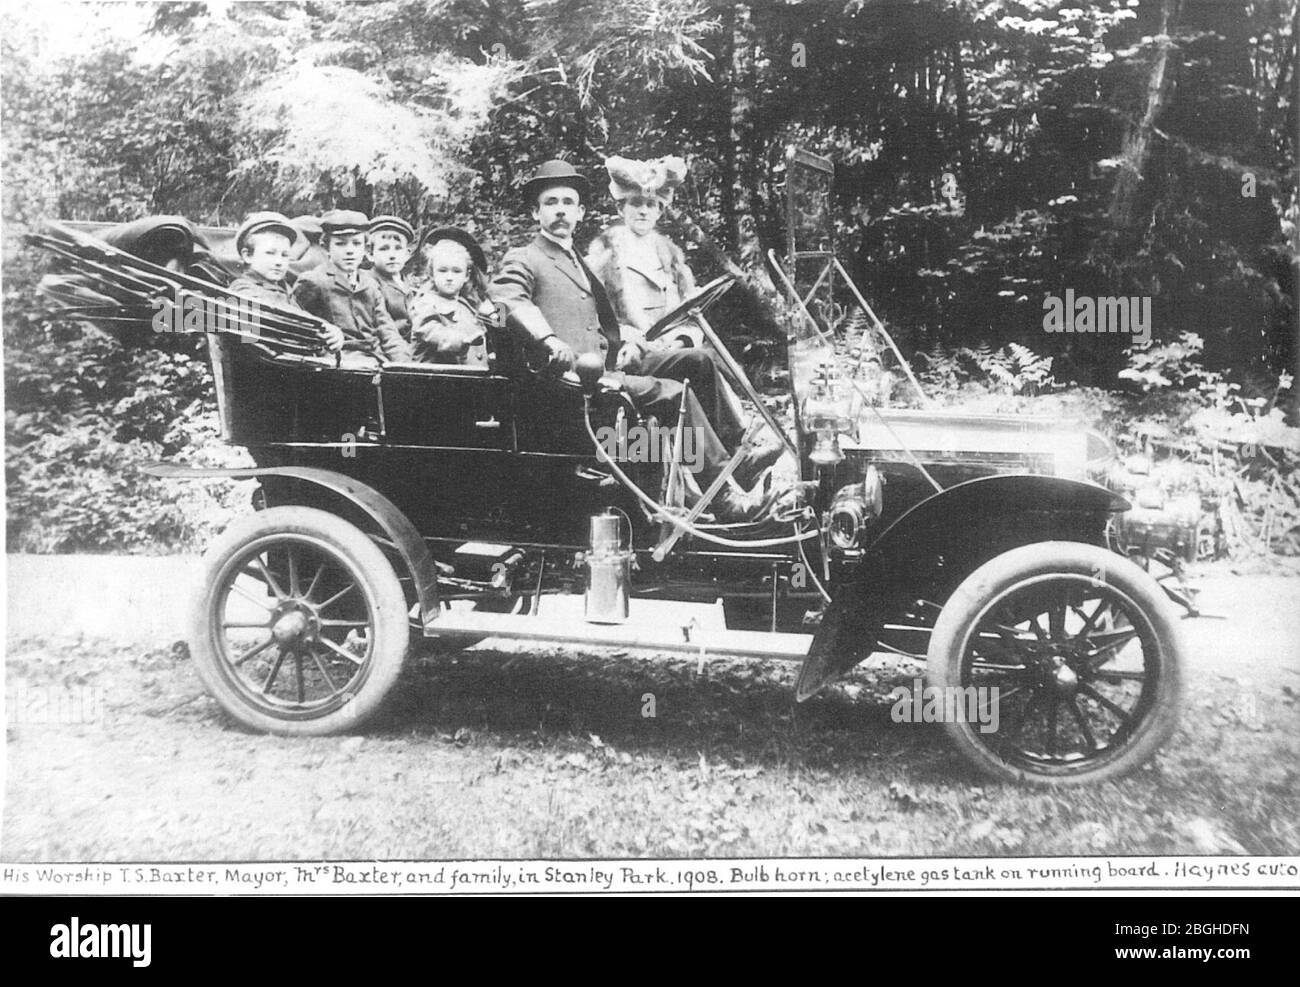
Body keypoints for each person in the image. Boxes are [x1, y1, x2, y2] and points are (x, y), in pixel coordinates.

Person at [488, 159, 781, 521]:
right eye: (551, 202)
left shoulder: (578, 261)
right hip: (570, 384)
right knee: (674, 394)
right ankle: (722, 499)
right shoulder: (526, 257)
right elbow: (505, 298)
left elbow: (598, 322)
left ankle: (739, 458)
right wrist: (547, 339)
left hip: (606, 365)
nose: (560, 210)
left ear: (581, 212)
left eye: (568, 202)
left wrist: (629, 342)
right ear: (536, 212)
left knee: (697, 361)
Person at [291, 209, 412, 362]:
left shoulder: (370, 284)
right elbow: (298, 323)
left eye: (356, 243)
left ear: (365, 248)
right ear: (326, 247)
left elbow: (387, 331)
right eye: (341, 244)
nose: (350, 251)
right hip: (338, 360)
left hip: (375, 358)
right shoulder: (314, 281)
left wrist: (404, 363)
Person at [407, 228, 490, 366]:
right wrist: (460, 340)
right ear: (432, 274)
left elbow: (494, 323)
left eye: (456, 271)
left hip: (471, 375)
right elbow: (431, 331)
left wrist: (495, 316)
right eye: (443, 271)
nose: (449, 277)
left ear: (466, 276)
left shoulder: (467, 304)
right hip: (437, 377)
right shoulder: (424, 303)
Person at [363, 215, 416, 340]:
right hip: (389, 343)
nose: (392, 255)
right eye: (384, 249)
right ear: (370, 254)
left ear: (407, 254)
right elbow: (376, 325)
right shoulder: (370, 282)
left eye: (398, 248)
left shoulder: (406, 282)